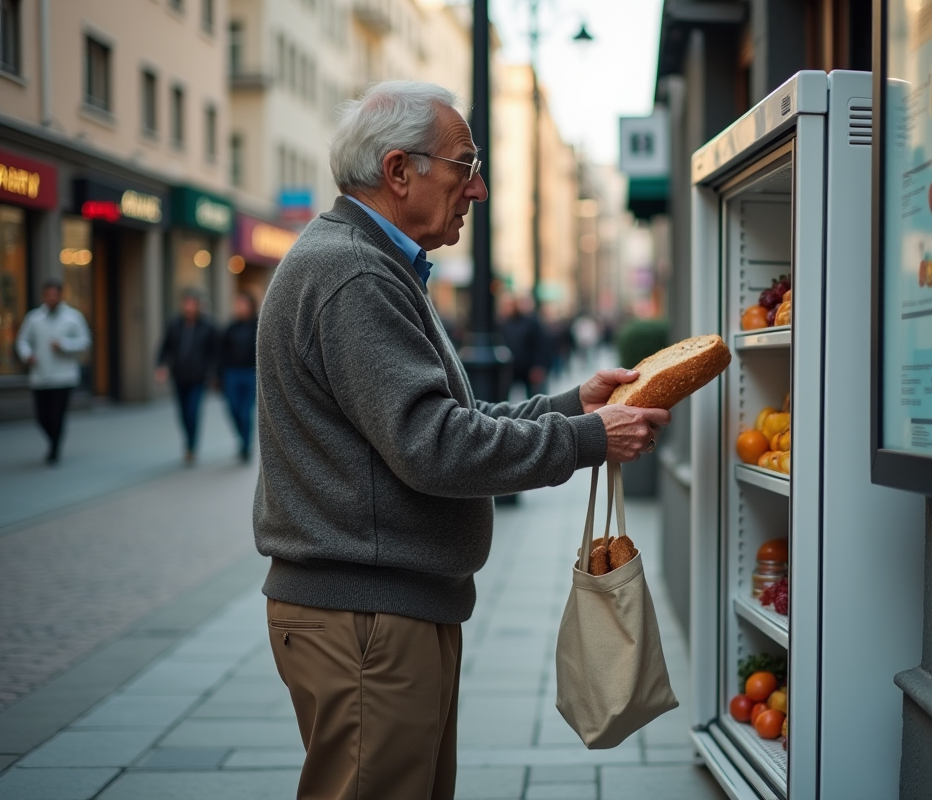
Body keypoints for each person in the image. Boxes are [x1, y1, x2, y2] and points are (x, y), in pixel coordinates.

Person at [254, 80, 668, 800]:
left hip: (383, 609)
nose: (476, 190)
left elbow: (448, 419)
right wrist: (585, 439)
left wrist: (574, 405)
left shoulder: (370, 264)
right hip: (368, 618)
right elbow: (435, 445)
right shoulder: (354, 271)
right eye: (464, 165)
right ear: (398, 171)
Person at [15, 279, 92, 464]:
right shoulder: (34, 318)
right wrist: (27, 355)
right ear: (44, 296)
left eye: (54, 294)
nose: (51, 298)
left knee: (57, 415)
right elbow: (22, 341)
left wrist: (65, 345)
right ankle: (53, 442)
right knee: (42, 416)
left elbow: (85, 341)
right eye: (48, 294)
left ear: (60, 295)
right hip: (40, 375)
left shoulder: (73, 317)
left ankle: (54, 450)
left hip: (64, 376)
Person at [156, 291, 218, 464]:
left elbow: (215, 353)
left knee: (193, 411)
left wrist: (212, 373)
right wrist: (161, 366)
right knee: (183, 412)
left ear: (198, 305)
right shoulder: (175, 324)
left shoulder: (208, 327)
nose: (189, 307)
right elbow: (165, 347)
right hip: (179, 376)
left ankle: (191, 445)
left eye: (192, 303)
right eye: (186, 303)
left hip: (198, 378)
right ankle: (188, 441)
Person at [219, 291, 259, 463]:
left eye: (243, 304)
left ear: (250, 306)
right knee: (233, 409)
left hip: (250, 373)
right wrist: (218, 374)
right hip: (232, 373)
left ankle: (245, 445)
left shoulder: (258, 325)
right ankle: (242, 440)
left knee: (244, 412)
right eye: (238, 304)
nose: (239, 307)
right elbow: (221, 352)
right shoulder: (231, 327)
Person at [497, 293, 551, 400]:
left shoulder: (531, 322)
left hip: (528, 367)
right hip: (510, 367)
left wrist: (538, 366)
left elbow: (541, 346)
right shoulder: (502, 323)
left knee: (533, 397)